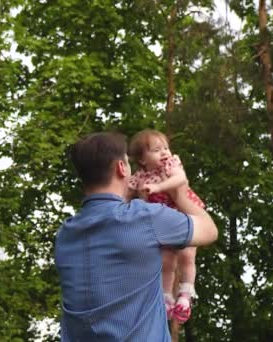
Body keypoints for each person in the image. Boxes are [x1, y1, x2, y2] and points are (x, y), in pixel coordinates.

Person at [54, 131, 217, 341]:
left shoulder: (65, 234)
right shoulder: (144, 218)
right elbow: (209, 230)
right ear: (122, 168)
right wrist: (180, 194)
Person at [128, 129, 205, 323]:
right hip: (162, 224)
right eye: (156, 150)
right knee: (166, 262)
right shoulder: (139, 178)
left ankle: (186, 294)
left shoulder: (171, 165)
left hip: (183, 215)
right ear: (142, 160)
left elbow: (181, 179)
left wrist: (159, 187)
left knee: (187, 255)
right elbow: (125, 195)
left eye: (166, 148)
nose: (164, 152)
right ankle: (166, 298)